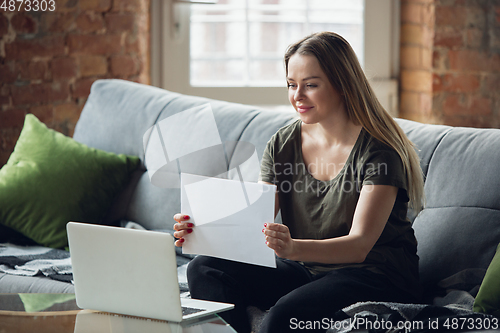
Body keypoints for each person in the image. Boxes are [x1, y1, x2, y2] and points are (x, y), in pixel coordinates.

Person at [173, 31, 425, 333]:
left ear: (342, 86)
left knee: (283, 316)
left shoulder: (379, 152)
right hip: (307, 267)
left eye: (311, 85)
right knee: (203, 267)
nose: (297, 96)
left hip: (374, 273)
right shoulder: (282, 143)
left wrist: (293, 249)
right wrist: (201, 229)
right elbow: (255, 221)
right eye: (292, 85)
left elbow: (359, 246)